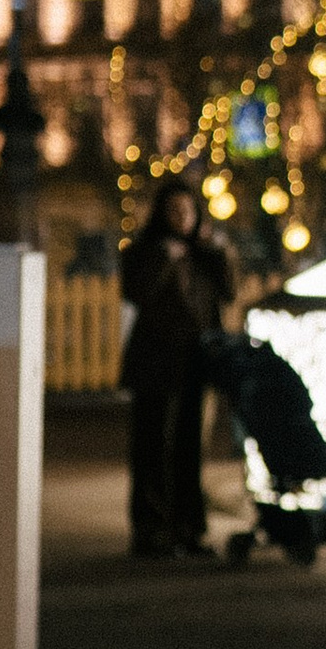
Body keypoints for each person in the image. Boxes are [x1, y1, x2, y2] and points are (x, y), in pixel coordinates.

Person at [120, 181, 238, 555]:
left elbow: (228, 291)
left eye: (187, 211)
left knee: (189, 448)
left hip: (194, 363)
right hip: (156, 363)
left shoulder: (202, 254)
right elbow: (136, 292)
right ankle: (151, 530)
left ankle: (187, 529)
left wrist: (217, 250)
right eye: (174, 211)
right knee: (153, 446)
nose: (182, 218)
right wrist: (164, 259)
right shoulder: (146, 251)